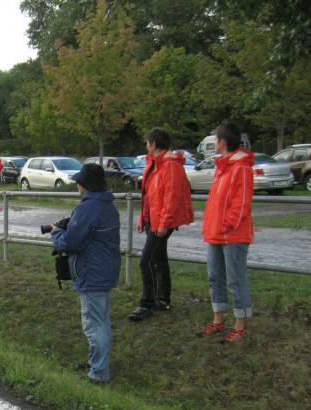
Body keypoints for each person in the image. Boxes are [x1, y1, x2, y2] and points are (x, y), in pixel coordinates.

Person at [49, 163, 120, 384]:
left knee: (93, 324)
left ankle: (99, 372)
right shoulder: (107, 205)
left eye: (79, 182)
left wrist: (56, 233)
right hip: (105, 270)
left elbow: (72, 243)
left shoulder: (88, 208)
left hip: (91, 272)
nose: (77, 185)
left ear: (86, 184)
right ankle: (97, 362)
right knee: (101, 321)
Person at [197, 121, 254, 343]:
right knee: (215, 276)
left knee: (235, 279)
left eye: (216, 139)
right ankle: (218, 319)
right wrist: (212, 225)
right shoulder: (223, 166)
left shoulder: (241, 167)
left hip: (233, 235)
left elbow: (241, 203)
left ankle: (240, 325)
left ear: (222, 142)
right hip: (216, 234)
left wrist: (227, 224)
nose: (215, 143)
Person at [129, 127, 194, 321]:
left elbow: (172, 197)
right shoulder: (155, 163)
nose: (146, 146)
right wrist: (143, 219)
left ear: (154, 144)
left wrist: (164, 223)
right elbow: (148, 196)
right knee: (158, 259)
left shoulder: (171, 166)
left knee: (146, 260)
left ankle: (146, 303)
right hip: (153, 220)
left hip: (161, 222)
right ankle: (162, 299)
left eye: (147, 142)